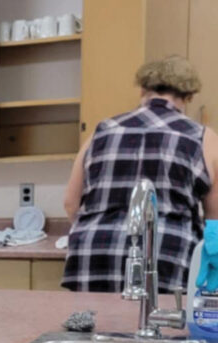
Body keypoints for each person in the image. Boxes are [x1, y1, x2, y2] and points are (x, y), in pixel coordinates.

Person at [62, 55, 218, 292]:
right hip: (166, 254)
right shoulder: (202, 137)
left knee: (93, 327)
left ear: (143, 90)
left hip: (94, 252)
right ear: (188, 96)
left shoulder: (102, 130)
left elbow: (71, 204)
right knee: (158, 326)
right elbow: (214, 218)